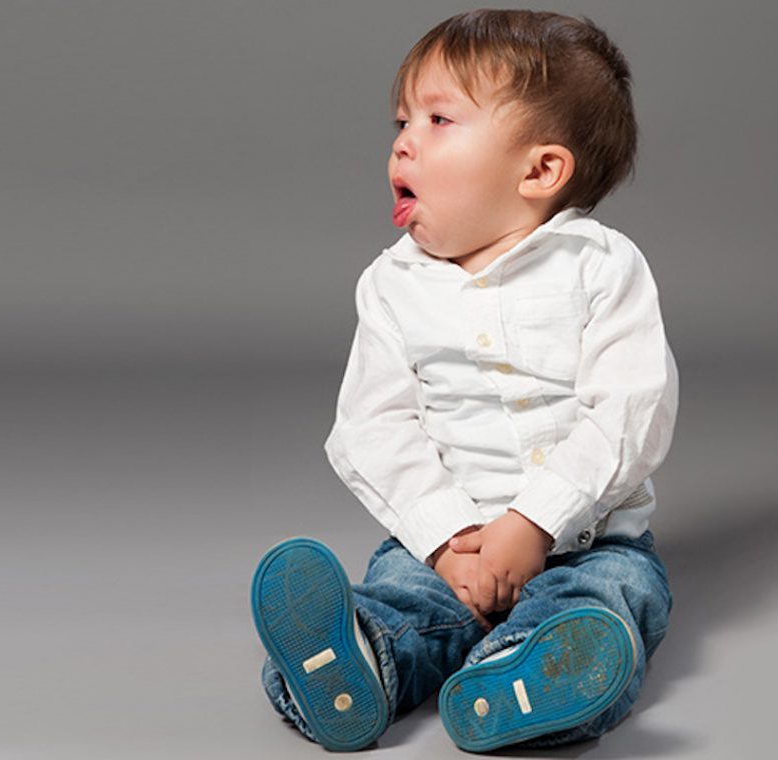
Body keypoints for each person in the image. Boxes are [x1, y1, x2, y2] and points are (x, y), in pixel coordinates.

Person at [250, 9, 678, 752]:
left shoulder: (602, 268)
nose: (402, 143)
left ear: (540, 170)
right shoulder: (391, 285)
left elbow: (628, 413)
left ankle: (526, 685)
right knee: (408, 602)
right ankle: (356, 662)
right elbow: (372, 426)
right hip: (442, 544)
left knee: (610, 600)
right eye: (401, 122)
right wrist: (450, 543)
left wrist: (534, 523)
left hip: (587, 540)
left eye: (439, 119)